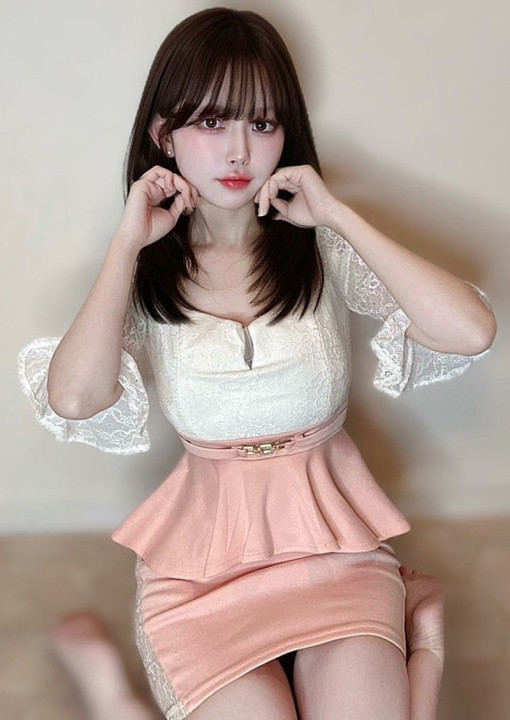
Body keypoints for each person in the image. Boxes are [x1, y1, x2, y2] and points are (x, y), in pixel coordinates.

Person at [18, 7, 495, 720]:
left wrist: (336, 215)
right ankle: (110, 691)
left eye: (263, 123)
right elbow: (76, 399)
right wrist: (126, 243)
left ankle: (418, 643)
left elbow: (471, 331)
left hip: (334, 553)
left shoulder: (318, 248)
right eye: (212, 122)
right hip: (202, 575)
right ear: (164, 135)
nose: (239, 152)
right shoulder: (144, 274)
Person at [50, 568, 444, 720]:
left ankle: (109, 697)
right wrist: (427, 643)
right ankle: (110, 697)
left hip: (203, 591)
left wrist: (428, 642)